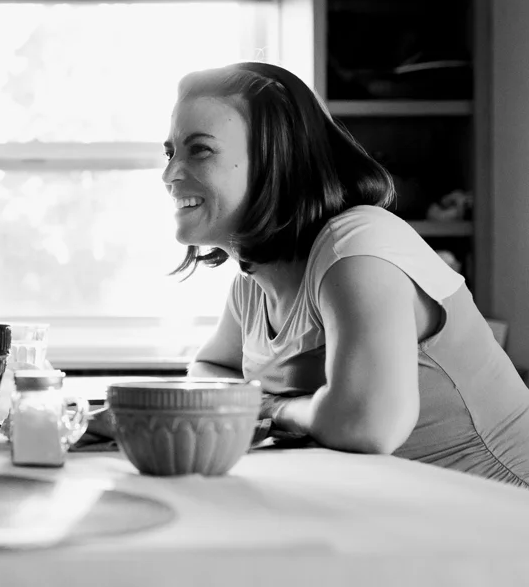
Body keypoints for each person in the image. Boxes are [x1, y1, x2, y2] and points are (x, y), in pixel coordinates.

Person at [165, 60, 529, 487]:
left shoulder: (355, 248)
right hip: (410, 509)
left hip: (504, 508)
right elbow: (210, 367)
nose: (169, 174)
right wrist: (257, 403)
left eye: (200, 150)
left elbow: (367, 425)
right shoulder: (253, 283)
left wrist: (269, 408)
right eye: (170, 153)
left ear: (278, 159)